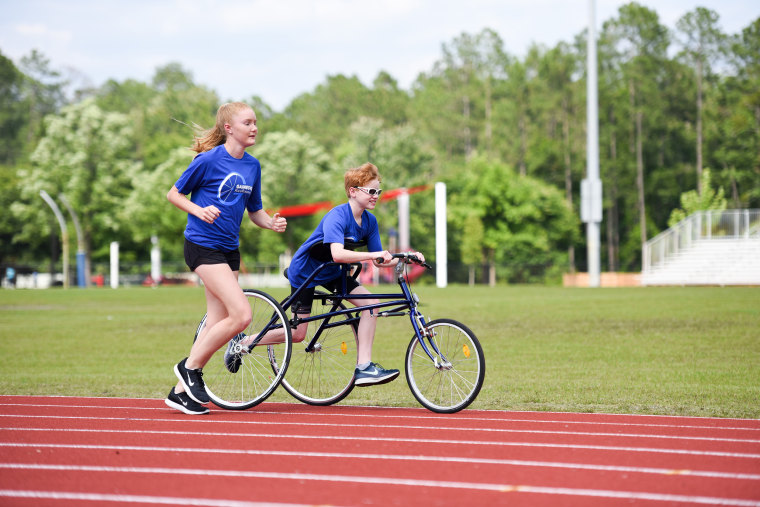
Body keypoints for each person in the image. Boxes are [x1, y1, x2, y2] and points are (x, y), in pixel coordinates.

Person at [227, 162, 423, 387]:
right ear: (353, 191)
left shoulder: (370, 221)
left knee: (372, 304)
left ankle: (364, 367)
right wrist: (373, 255)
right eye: (371, 191)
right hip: (306, 272)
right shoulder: (337, 216)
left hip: (331, 272)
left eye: (378, 191)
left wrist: (407, 257)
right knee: (299, 334)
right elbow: (338, 254)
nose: (376, 196)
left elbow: (380, 261)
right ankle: (243, 343)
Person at [164, 102, 287, 415]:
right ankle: (189, 368)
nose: (255, 127)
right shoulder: (207, 161)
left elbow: (255, 211)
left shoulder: (253, 166)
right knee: (241, 315)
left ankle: (179, 393)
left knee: (218, 321)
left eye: (256, 122)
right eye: (248, 122)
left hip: (229, 250)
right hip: (202, 247)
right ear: (229, 128)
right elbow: (174, 194)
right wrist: (198, 210)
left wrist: (270, 222)